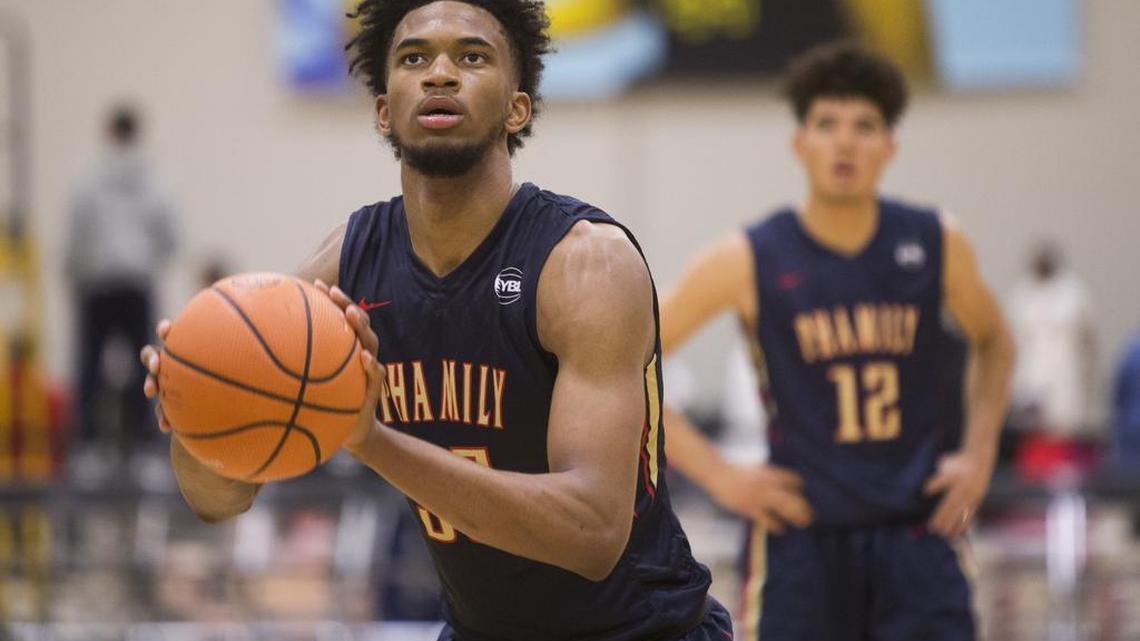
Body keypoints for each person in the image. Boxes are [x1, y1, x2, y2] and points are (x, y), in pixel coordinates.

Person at [140, 2, 730, 640]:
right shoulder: (348, 264)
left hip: (642, 632)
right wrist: (198, 415)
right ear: (384, 110)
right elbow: (218, 499)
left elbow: (591, 533)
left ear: (517, 108)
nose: (440, 74)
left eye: (471, 57)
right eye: (414, 58)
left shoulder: (584, 263)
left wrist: (370, 439)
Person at [658, 42, 1014, 641]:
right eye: (827, 125)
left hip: (919, 531)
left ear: (889, 147)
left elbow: (996, 341)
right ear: (800, 144)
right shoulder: (747, 257)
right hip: (803, 539)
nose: (845, 142)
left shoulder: (935, 242)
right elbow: (630, 364)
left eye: (864, 127)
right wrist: (720, 476)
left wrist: (978, 456)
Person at [66, 104, 177, 472]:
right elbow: (170, 237)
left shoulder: (88, 178)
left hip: (97, 285)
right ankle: (146, 450)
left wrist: (76, 274)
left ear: (109, 132)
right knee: (143, 364)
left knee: (90, 366)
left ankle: (89, 448)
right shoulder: (152, 180)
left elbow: (75, 236)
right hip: (134, 283)